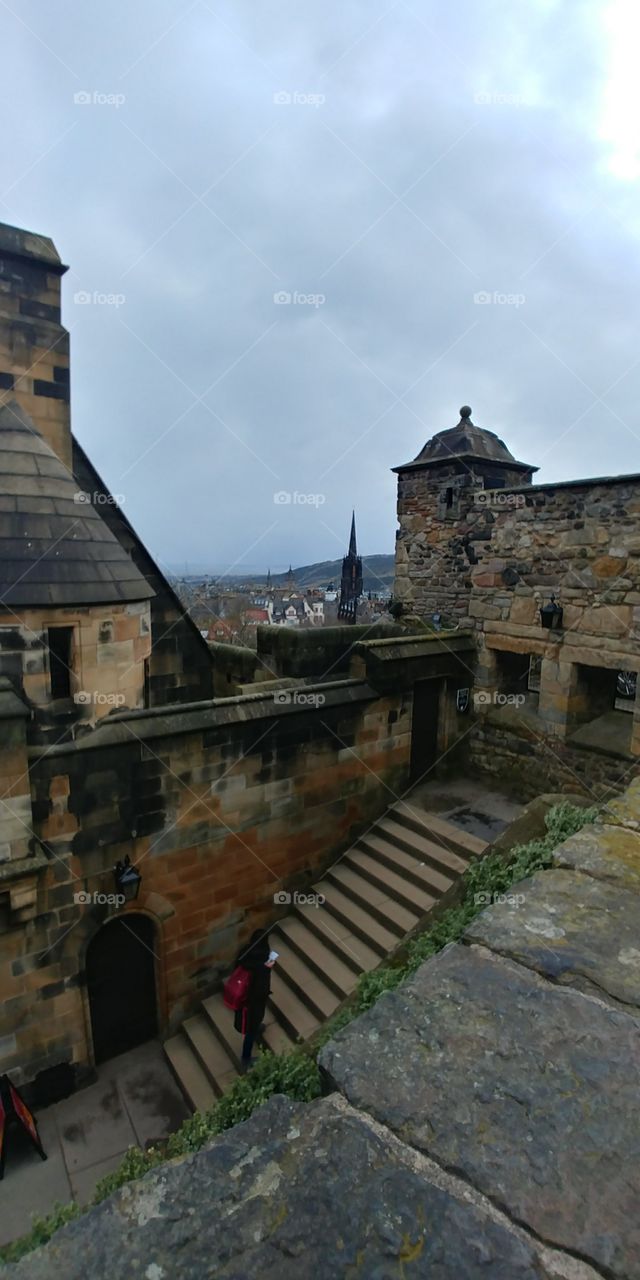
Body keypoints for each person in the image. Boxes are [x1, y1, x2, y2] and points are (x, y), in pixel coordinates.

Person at [233, 929, 272, 1072]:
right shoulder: (261, 960)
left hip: (243, 997)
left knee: (250, 1023)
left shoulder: (245, 952)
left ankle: (256, 1028)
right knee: (251, 1027)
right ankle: (246, 1059)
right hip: (253, 1002)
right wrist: (267, 968)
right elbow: (261, 987)